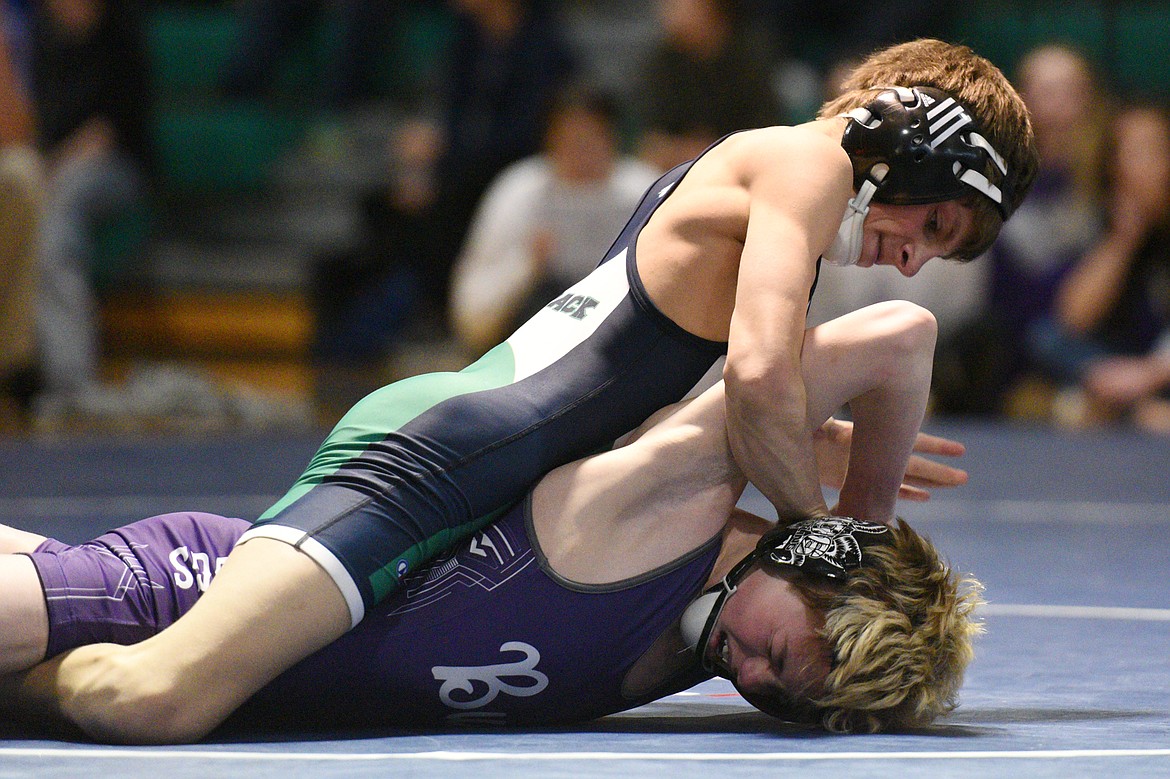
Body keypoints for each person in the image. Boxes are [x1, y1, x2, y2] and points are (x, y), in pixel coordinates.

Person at [0, 38, 1036, 745]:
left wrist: (849, 536)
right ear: (912, 142)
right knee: (164, 697)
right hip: (437, 460)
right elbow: (794, 365)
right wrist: (834, 534)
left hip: (468, 444)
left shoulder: (776, 186)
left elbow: (729, 381)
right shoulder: (805, 169)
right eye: (937, 226)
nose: (915, 259)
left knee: (182, 660)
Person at [0, 301, 980, 738]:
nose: (748, 675)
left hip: (250, 689)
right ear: (810, 559)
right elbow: (900, 333)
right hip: (195, 594)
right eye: (777, 648)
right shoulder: (674, 502)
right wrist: (857, 519)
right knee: (139, 691)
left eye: (781, 693)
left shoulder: (710, 622)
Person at [448, 82, 660, 355]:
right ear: (550, 141)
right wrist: (526, 266)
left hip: (624, 336)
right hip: (534, 341)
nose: (582, 151)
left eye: (591, 138)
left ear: (612, 137)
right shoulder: (519, 191)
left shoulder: (644, 191)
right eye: (570, 140)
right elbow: (470, 314)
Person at [27, 0, 153, 416]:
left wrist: (47, 175)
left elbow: (106, 132)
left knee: (57, 217)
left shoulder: (120, 37)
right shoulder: (41, 42)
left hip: (116, 167)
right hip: (53, 164)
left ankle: (70, 378)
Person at [1028, 102, 1170, 430]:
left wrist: (1149, 374)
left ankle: (1128, 410)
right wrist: (1124, 239)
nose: (1137, 164)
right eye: (1126, 151)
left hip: (1156, 367)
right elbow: (1072, 319)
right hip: (1119, 360)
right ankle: (1135, 410)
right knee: (1045, 338)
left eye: (1152, 149)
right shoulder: (1100, 219)